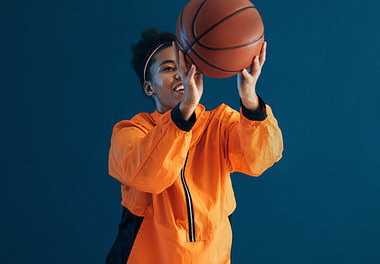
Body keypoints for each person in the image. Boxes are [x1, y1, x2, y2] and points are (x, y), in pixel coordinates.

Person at [106, 28, 283, 263]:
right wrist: (184, 112)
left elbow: (261, 158)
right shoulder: (130, 133)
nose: (180, 74)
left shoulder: (219, 124)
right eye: (169, 68)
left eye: (185, 66)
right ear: (149, 87)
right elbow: (148, 176)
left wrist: (249, 98)